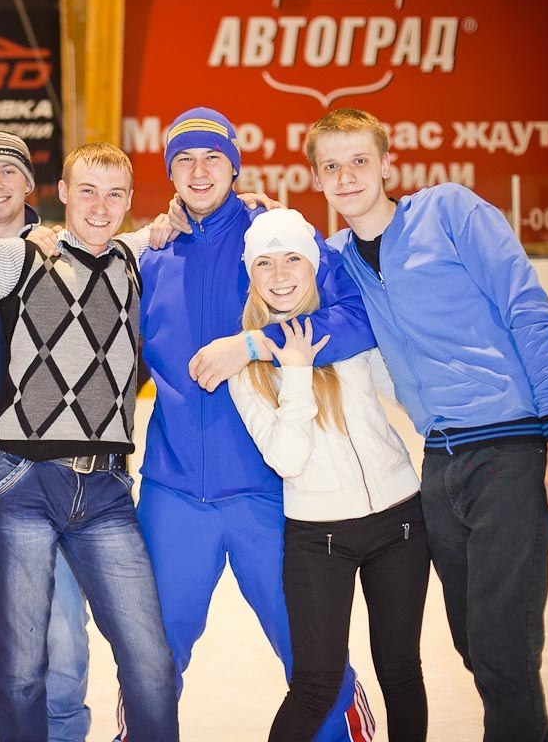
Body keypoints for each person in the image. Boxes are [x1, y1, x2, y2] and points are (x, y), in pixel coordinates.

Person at [0, 98, 179, 742]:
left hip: (106, 488)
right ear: (61, 193)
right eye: (87, 191)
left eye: (115, 194)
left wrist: (249, 207)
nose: (101, 206)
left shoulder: (132, 256)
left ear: (129, 200)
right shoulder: (20, 259)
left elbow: (188, 220)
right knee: (22, 664)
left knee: (150, 660)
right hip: (24, 481)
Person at [310, 107, 548, 742]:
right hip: (438, 460)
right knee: (472, 640)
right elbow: (279, 261)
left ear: (387, 164)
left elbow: (527, 310)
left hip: (509, 447)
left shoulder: (450, 212)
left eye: (360, 160)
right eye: (332, 166)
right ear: (318, 180)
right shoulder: (340, 260)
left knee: (501, 647)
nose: (347, 176)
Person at [144, 107, 377, 740]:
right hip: (173, 492)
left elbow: (356, 319)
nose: (199, 172)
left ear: (235, 167)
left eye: (212, 158)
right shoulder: (151, 255)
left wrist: (255, 344)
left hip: (273, 490)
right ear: (170, 173)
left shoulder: (274, 234)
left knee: (311, 653)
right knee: (150, 658)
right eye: (184, 160)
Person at [229, 209, 430, 742]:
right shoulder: (247, 368)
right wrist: (295, 373)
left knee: (401, 672)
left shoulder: (350, 334)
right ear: (250, 274)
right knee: (314, 685)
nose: (280, 275)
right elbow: (288, 460)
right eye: (265, 263)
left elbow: (410, 394)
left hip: (399, 521)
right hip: (319, 537)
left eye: (293, 259)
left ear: (314, 265)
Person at [0, 131, 92, 739]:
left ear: (30, 183)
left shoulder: (67, 255)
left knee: (63, 627)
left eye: (8, 171)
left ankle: (65, 730)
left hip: (50, 475)